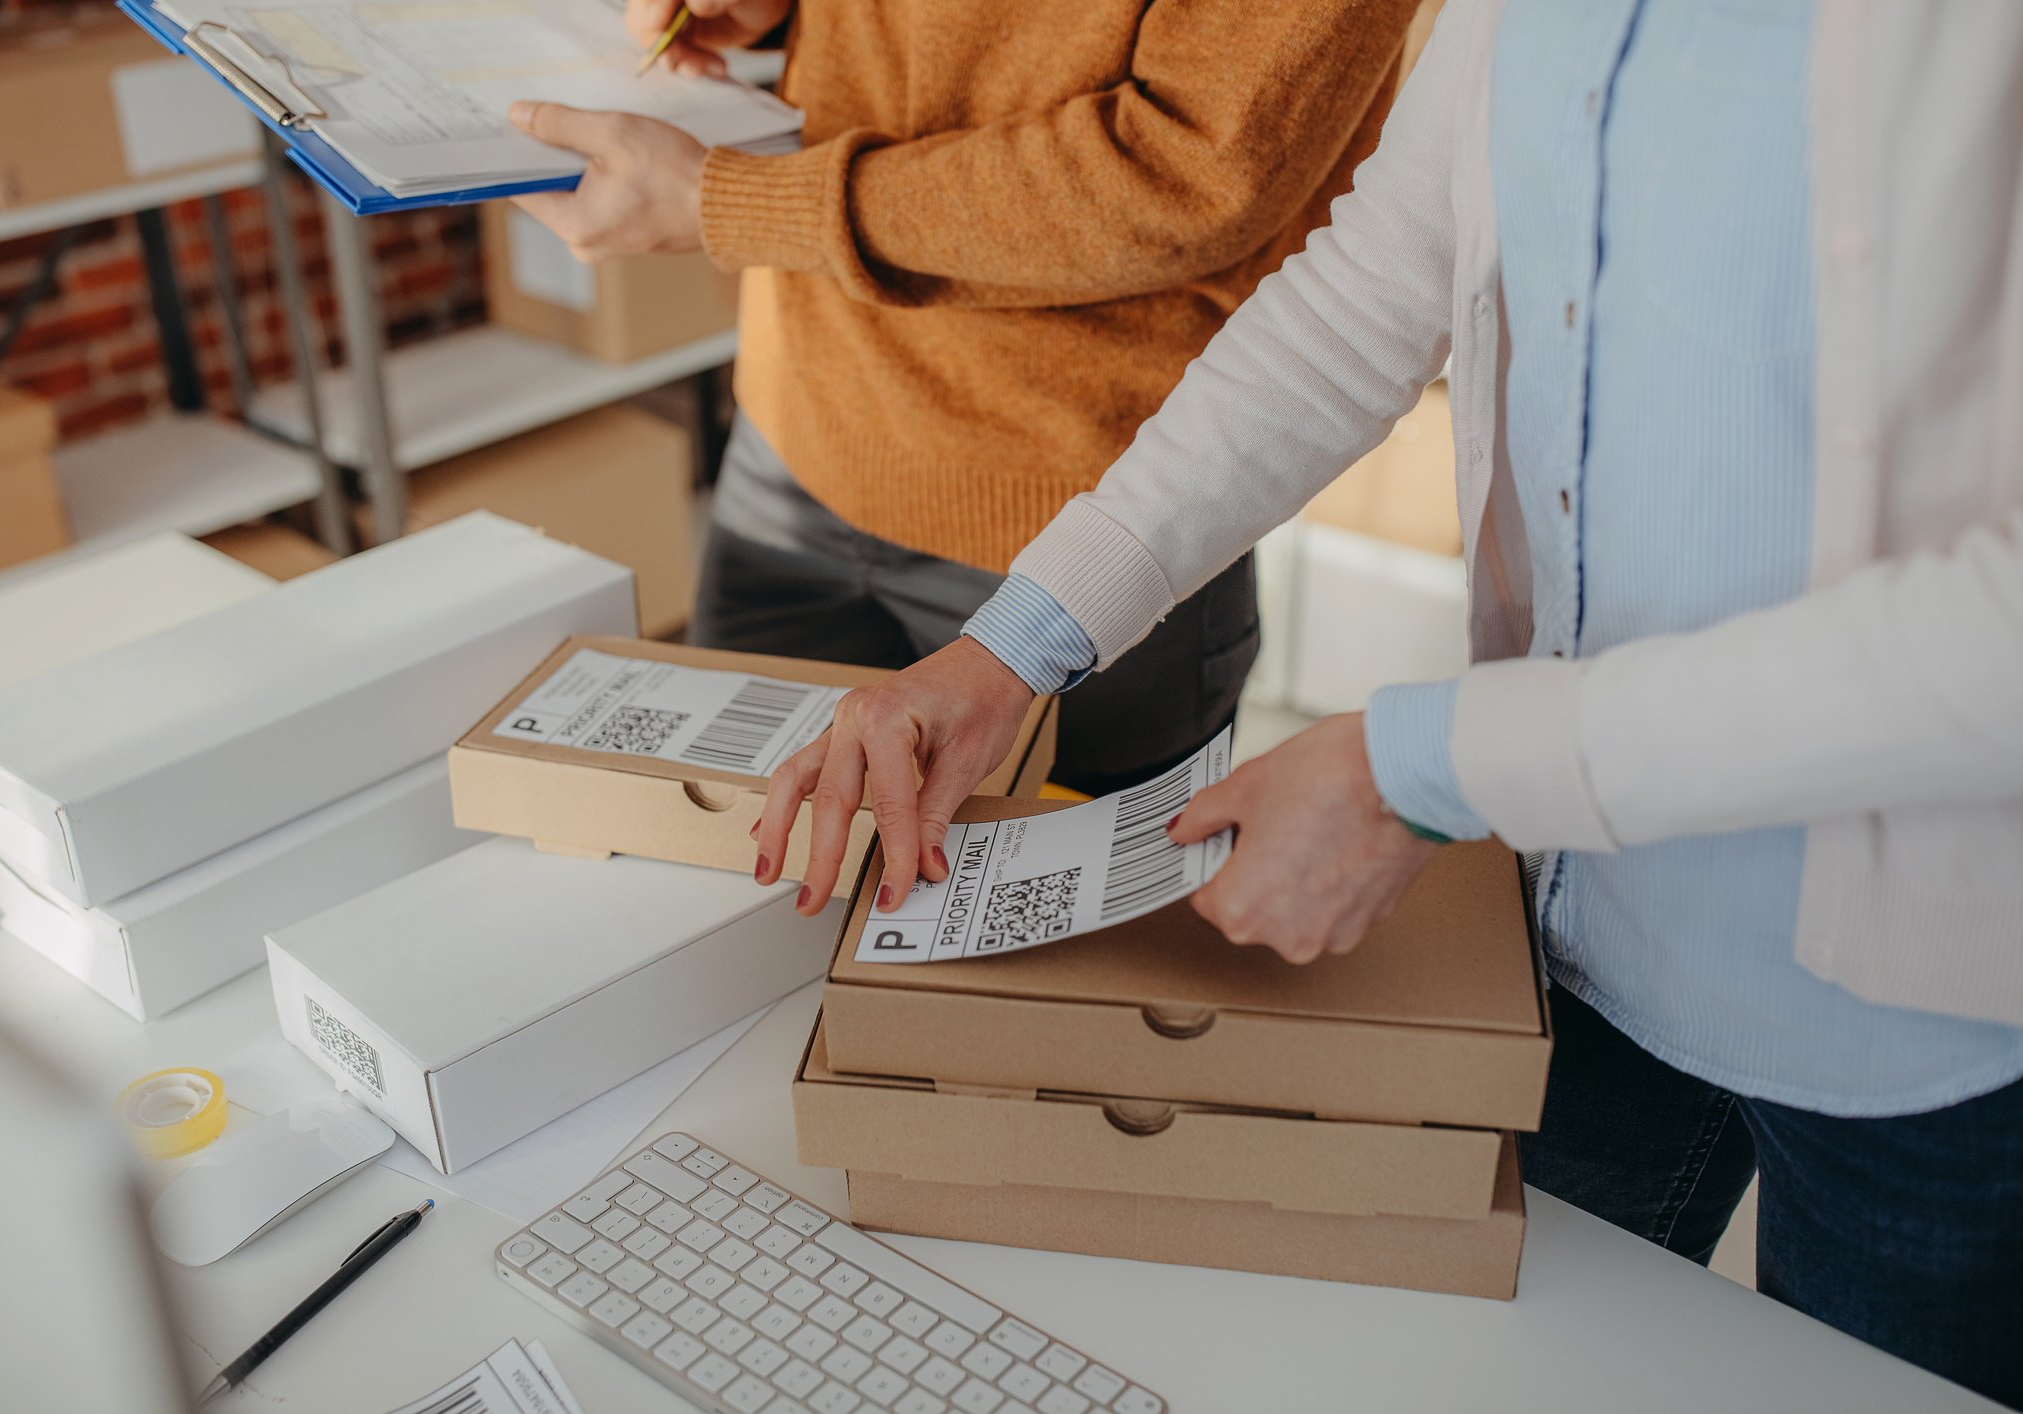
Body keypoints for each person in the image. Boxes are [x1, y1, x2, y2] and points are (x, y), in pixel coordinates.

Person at [757, 1, 2023, 1404]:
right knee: (1505, 1367)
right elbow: (1368, 295)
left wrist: (1427, 767)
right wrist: (1017, 646)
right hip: (1582, 921)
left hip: (1935, 1024)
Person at [500, 0, 1422, 805]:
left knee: (1053, 978)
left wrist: (742, 204)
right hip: (798, 434)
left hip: (1092, 522)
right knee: (741, 886)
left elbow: (1183, 175)